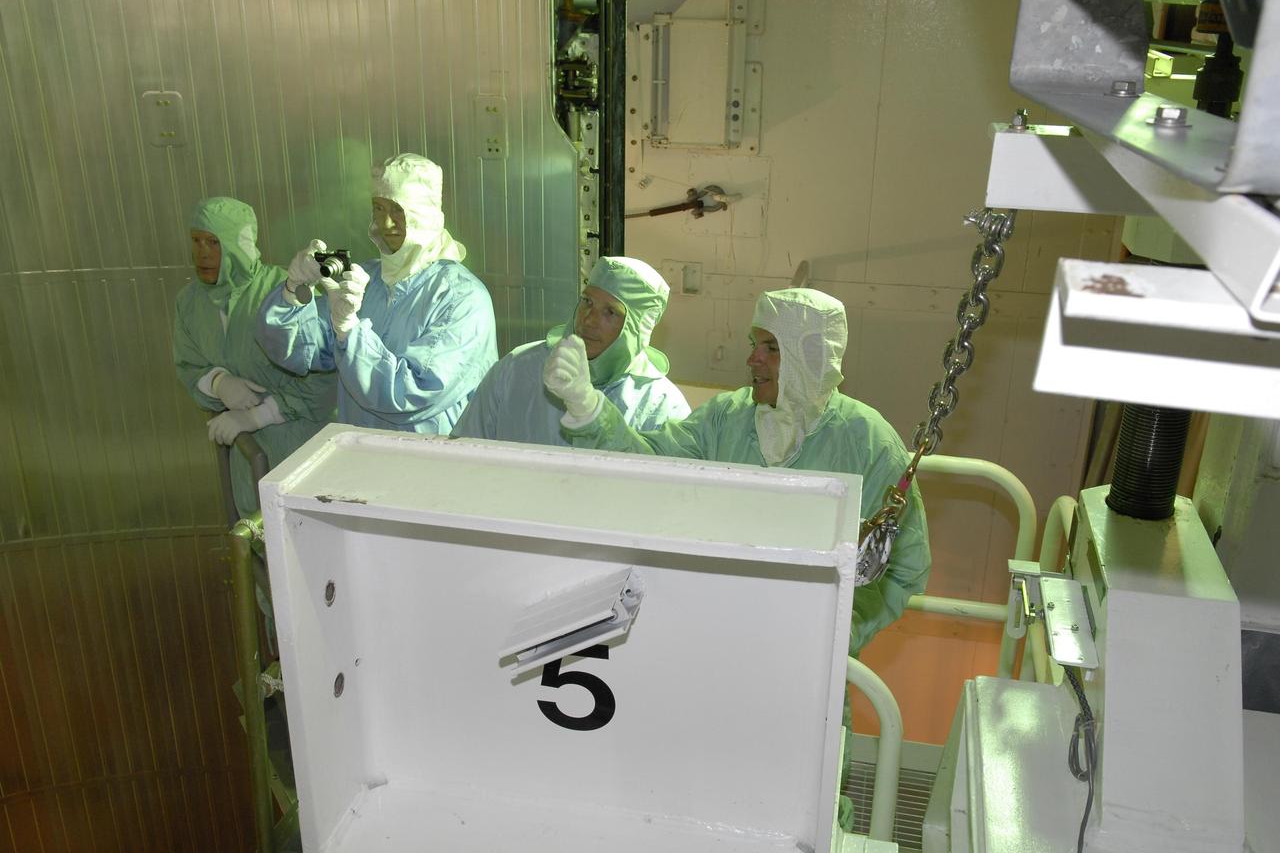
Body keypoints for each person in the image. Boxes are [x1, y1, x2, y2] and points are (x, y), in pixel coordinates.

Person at [542, 287, 930, 655]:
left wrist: (833, 633)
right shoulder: (725, 418)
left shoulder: (868, 443)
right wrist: (587, 407)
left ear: (810, 358)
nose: (752, 360)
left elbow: (903, 569)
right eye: (753, 345)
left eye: (772, 348)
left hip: (808, 661)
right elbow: (650, 468)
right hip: (711, 634)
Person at [256, 153, 497, 433]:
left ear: (424, 214)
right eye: (379, 209)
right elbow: (299, 353)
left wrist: (349, 332)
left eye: (398, 211)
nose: (386, 224)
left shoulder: (461, 298)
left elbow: (414, 393)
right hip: (363, 455)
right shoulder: (366, 280)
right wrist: (293, 291)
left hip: (434, 465)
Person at [174, 196, 335, 518]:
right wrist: (217, 382)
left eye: (214, 242)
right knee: (258, 546)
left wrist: (260, 416)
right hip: (248, 467)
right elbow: (189, 363)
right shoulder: (191, 302)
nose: (202, 253)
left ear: (236, 245)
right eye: (196, 241)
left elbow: (324, 380)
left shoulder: (283, 292)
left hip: (301, 454)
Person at [452, 257, 689, 445]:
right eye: (587, 302)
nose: (589, 319)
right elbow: (464, 450)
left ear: (636, 329)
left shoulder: (661, 405)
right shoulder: (518, 368)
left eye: (611, 312)